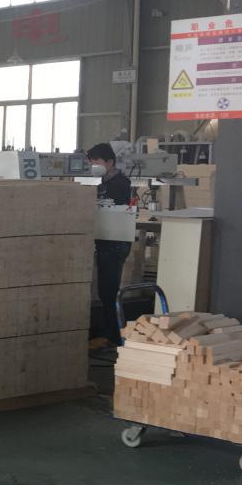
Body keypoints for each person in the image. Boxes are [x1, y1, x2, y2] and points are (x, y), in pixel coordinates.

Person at [86, 142, 132, 348]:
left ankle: (113, 336)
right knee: (104, 291)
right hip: (104, 240)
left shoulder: (120, 183)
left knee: (108, 291)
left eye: (97, 162)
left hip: (116, 242)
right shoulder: (99, 182)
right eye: (91, 162)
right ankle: (110, 332)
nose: (94, 166)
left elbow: (110, 205)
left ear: (110, 162)